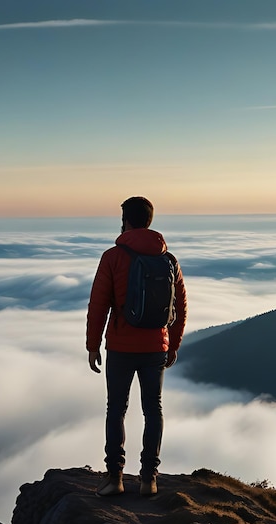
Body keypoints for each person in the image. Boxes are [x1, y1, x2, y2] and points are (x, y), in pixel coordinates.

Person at [86, 196, 187, 497]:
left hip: (120, 346)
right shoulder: (168, 260)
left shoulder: (113, 257)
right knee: (152, 410)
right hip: (156, 346)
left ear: (126, 221)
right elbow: (180, 306)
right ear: (149, 221)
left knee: (116, 409)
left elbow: (98, 305)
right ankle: (148, 479)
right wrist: (173, 344)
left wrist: (93, 346)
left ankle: (115, 477)